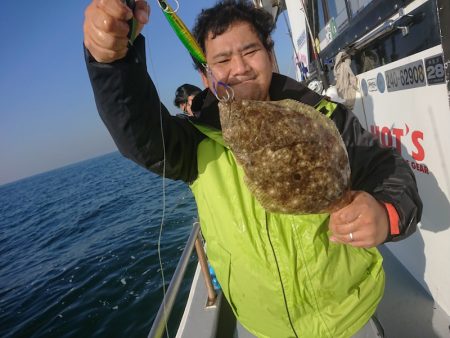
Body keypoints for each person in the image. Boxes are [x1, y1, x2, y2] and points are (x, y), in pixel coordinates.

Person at [83, 1, 422, 337]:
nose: (240, 67)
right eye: (222, 59)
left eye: (250, 51)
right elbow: (137, 133)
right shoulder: (197, 140)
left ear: (271, 56)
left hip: (350, 317)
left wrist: (384, 212)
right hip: (264, 329)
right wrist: (112, 63)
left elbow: (386, 169)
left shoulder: (326, 118)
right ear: (205, 75)